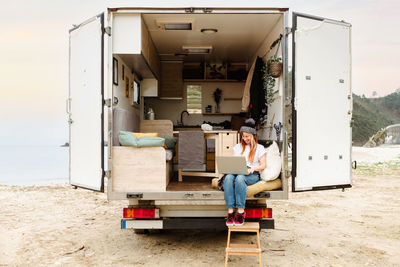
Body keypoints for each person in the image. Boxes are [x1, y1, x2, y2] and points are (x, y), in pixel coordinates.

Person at [224, 118, 266, 226]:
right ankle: (230, 212)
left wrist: (253, 169)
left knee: (240, 178)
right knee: (228, 177)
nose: (244, 138)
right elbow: (234, 162)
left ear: (253, 136)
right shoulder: (237, 147)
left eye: (247, 136)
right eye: (243, 136)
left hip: (252, 174)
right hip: (238, 171)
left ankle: (241, 212)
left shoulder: (260, 148)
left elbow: (263, 165)